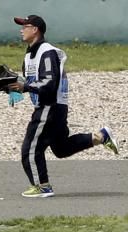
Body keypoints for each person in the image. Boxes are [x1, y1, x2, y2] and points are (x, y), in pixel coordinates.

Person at [7, 15, 118, 198]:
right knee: (61, 148)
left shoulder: (47, 52)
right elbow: (30, 81)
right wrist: (14, 89)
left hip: (49, 106)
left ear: (35, 29)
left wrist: (25, 87)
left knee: (31, 149)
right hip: (52, 108)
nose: (21, 30)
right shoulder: (29, 55)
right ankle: (100, 136)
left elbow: (49, 84)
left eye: (25, 26)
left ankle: (42, 186)